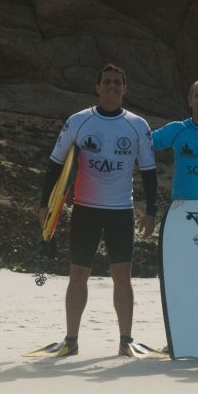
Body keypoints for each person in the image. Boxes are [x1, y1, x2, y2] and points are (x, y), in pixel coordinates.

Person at [36, 64, 158, 357]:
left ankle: (126, 340)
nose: (112, 87)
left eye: (118, 82)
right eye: (107, 82)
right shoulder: (79, 121)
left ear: (125, 88)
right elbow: (55, 164)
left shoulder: (137, 125)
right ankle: (71, 340)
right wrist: (45, 205)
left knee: (122, 276)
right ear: (98, 87)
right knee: (77, 275)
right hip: (85, 208)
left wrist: (151, 210)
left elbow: (149, 171)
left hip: (121, 210)